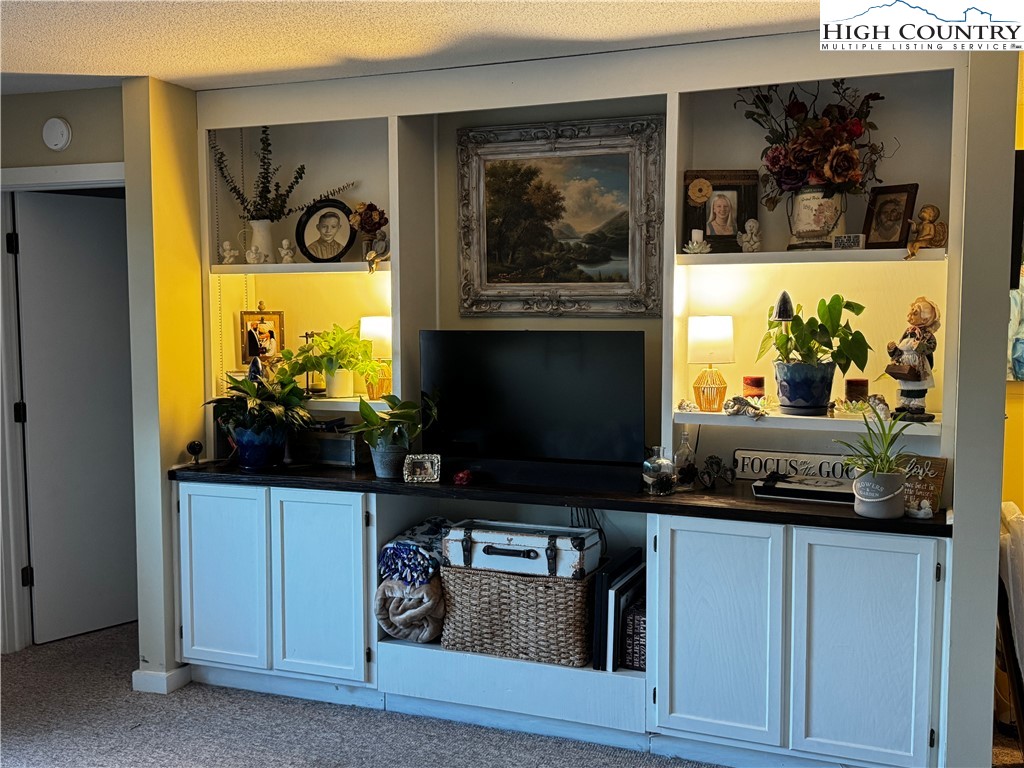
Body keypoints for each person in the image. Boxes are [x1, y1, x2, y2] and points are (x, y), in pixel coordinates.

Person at [886, 296, 941, 420]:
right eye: (911, 311)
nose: (910, 314)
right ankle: (905, 402)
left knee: (917, 383)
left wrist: (919, 346)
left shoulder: (926, 334)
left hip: (918, 365)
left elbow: (931, 347)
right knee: (905, 383)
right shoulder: (908, 332)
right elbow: (901, 349)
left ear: (925, 318)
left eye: (915, 313)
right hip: (905, 363)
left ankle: (917, 403)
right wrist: (893, 349)